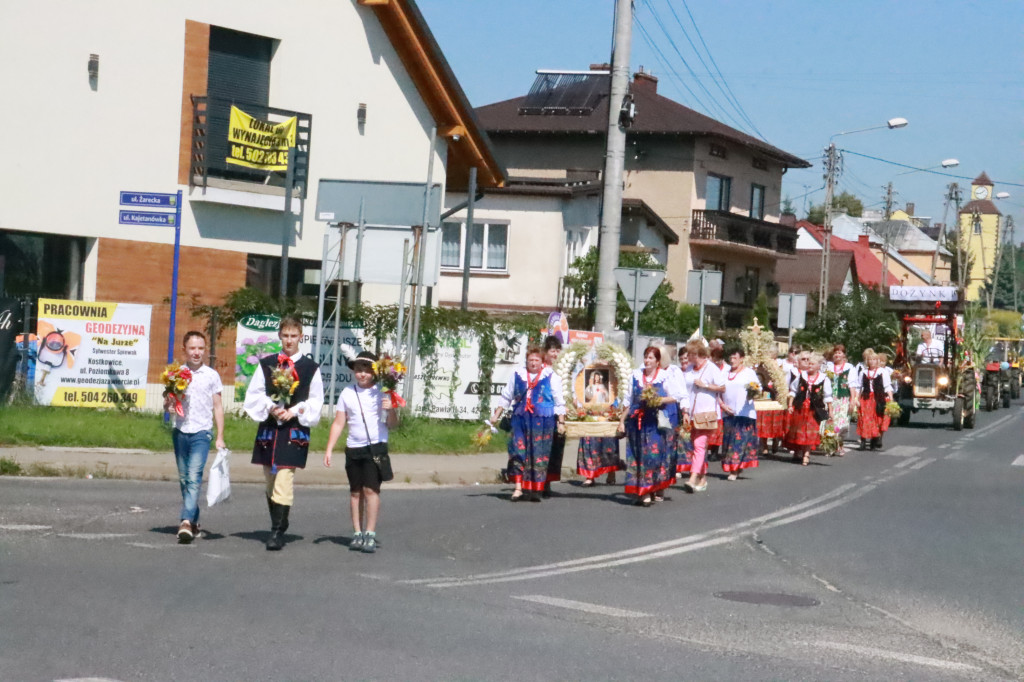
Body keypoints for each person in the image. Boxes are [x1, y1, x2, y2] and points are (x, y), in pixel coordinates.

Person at [243, 316, 324, 551]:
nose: (289, 340)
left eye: (294, 336)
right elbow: (255, 394)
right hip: (270, 428)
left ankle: (276, 531)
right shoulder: (268, 364)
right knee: (270, 478)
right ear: (280, 336)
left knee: (284, 478)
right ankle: (281, 520)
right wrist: (271, 407)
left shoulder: (310, 368)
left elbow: (316, 400)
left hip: (294, 430)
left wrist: (296, 410)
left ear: (301, 337)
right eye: (285, 335)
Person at [324, 351, 398, 554]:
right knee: (355, 492)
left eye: (366, 370)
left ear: (374, 372)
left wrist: (391, 408)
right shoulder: (347, 393)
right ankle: (357, 533)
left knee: (371, 491)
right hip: (353, 448)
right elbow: (339, 422)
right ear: (354, 372)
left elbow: (392, 425)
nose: (362, 374)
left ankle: (370, 533)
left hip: (375, 447)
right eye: (358, 370)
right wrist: (330, 448)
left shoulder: (383, 392)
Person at [166, 331, 225, 544]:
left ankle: (184, 521)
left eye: (200, 348)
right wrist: (169, 404)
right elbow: (169, 402)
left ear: (205, 350)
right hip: (181, 431)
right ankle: (194, 521)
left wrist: (219, 436)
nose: (197, 352)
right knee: (185, 479)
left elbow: (218, 407)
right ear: (185, 350)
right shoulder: (176, 374)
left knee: (194, 476)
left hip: (202, 432)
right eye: (192, 348)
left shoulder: (211, 375)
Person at [492, 346, 566, 502]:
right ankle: (518, 488)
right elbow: (506, 396)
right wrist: (496, 415)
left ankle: (536, 489)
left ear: (542, 362)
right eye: (530, 360)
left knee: (538, 455)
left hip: (542, 421)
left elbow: (559, 401)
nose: (533, 363)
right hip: (520, 419)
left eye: (536, 360)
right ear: (526, 361)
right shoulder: (518, 375)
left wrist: (561, 422)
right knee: (517, 451)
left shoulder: (551, 376)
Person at [618, 346, 686, 506]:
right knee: (637, 456)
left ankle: (654, 487)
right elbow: (628, 400)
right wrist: (621, 421)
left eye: (651, 358)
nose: (647, 361)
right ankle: (643, 492)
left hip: (655, 423)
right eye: (646, 357)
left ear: (657, 361)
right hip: (637, 422)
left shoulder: (664, 376)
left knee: (653, 456)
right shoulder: (635, 375)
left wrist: (659, 400)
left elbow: (676, 396)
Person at [679, 340, 725, 493]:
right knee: (694, 446)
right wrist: (684, 411)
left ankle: (692, 479)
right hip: (691, 413)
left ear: (699, 354)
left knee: (699, 446)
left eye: (691, 354)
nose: (689, 356)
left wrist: (705, 385)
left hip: (706, 413)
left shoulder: (711, 368)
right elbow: (684, 389)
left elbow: (722, 387)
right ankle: (702, 477)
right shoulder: (690, 369)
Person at [719, 346, 761, 481]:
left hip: (744, 413)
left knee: (738, 442)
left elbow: (757, 388)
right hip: (728, 413)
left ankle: (734, 470)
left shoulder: (749, 373)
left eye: (735, 358)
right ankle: (736, 465)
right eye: (730, 358)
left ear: (741, 359)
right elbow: (718, 391)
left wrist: (752, 393)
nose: (732, 360)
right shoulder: (725, 373)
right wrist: (722, 405)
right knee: (728, 441)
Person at [786, 350, 832, 466]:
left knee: (810, 432)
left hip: (813, 409)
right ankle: (797, 452)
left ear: (818, 366)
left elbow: (827, 396)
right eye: (809, 363)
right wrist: (790, 405)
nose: (809, 365)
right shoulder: (802, 376)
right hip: (800, 408)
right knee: (798, 431)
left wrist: (830, 411)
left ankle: (806, 454)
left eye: (812, 364)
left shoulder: (824, 379)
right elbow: (793, 390)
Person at [542, 335, 565, 498]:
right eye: (552, 351)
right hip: (543, 413)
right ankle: (537, 481)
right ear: (545, 352)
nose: (555, 354)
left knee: (554, 449)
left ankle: (547, 481)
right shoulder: (540, 370)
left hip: (558, 413)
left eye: (557, 351)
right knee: (541, 448)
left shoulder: (562, 369)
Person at [857, 350, 893, 450]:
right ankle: (863, 441)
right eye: (870, 360)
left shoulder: (883, 372)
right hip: (866, 398)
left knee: (877, 419)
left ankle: (874, 440)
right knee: (864, 419)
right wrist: (856, 399)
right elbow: (859, 387)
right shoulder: (863, 372)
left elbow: (887, 386)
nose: (872, 361)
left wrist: (891, 400)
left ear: (877, 361)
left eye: (874, 360)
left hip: (879, 398)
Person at [826, 344, 856, 456]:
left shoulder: (849, 368)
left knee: (842, 423)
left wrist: (853, 400)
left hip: (843, 398)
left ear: (844, 355)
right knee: (831, 422)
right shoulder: (828, 367)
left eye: (840, 352)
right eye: (835, 352)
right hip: (830, 398)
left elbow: (852, 385)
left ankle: (840, 444)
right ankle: (831, 445)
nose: (837, 354)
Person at [706, 341, 728, 461]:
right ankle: (709, 449)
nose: (717, 362)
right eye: (715, 359)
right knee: (710, 426)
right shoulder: (709, 368)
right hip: (712, 399)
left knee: (719, 428)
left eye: (719, 360)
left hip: (724, 400)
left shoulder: (727, 369)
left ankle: (716, 450)